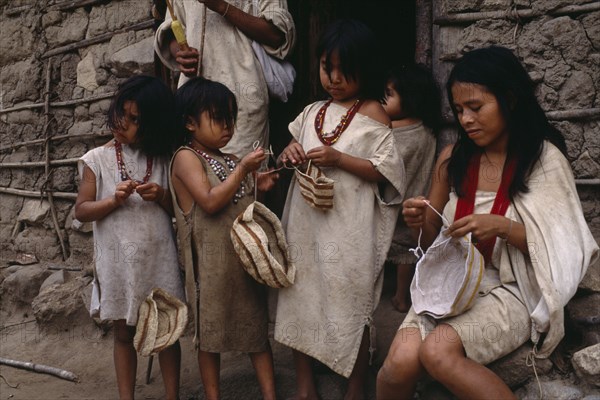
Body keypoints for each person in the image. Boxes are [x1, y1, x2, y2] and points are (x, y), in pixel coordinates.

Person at [376, 46, 599, 399]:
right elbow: (432, 238)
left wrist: (503, 228)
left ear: (509, 99)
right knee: (397, 366)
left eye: (476, 108)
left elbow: (566, 248)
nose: (465, 119)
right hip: (448, 284)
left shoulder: (542, 160)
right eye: (460, 109)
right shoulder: (452, 159)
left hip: (511, 289)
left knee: (437, 351)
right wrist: (418, 219)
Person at [274, 19, 406, 400]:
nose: (332, 78)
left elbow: (386, 171)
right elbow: (287, 158)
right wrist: (290, 154)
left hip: (349, 225)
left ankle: (355, 382)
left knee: (353, 295)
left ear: (365, 68)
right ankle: (304, 383)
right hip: (306, 220)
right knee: (300, 292)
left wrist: (339, 158)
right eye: (325, 67)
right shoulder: (313, 111)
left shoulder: (376, 114)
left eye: (343, 70)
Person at [74, 76, 185, 400]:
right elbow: (82, 211)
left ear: (153, 124)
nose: (123, 122)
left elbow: (179, 211)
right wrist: (112, 201)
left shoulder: (165, 160)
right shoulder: (96, 160)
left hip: (158, 260)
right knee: (124, 333)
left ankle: (172, 395)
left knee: (166, 329)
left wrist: (162, 195)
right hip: (118, 263)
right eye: (122, 112)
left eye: (135, 119)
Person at [169, 77, 279, 400]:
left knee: (255, 328)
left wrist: (262, 182)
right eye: (218, 118)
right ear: (190, 122)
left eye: (230, 118)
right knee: (210, 335)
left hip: (242, 262)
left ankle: (270, 396)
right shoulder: (185, 158)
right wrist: (243, 170)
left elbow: (240, 196)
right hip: (210, 266)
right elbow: (211, 200)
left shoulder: (228, 159)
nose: (227, 127)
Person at [154, 0, 296, 158]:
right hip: (194, 102)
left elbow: (276, 34)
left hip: (241, 102)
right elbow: (173, 25)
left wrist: (222, 6)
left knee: (244, 175)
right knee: (195, 172)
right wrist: (180, 53)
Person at [382, 64, 441, 312]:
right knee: (408, 249)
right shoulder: (427, 128)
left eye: (388, 94)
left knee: (392, 243)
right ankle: (401, 296)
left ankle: (389, 292)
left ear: (409, 98)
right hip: (419, 194)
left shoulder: (394, 131)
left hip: (396, 197)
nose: (381, 100)